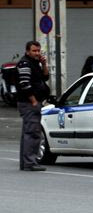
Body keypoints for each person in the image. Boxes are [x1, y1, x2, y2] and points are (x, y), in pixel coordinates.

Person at [16, 41, 50, 171]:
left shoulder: (35, 63)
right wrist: (34, 101)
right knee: (33, 133)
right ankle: (30, 162)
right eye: (34, 51)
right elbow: (25, 84)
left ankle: (26, 162)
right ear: (27, 51)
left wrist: (44, 64)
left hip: (32, 102)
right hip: (29, 103)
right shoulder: (25, 63)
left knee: (28, 132)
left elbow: (45, 77)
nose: (37, 53)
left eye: (38, 50)